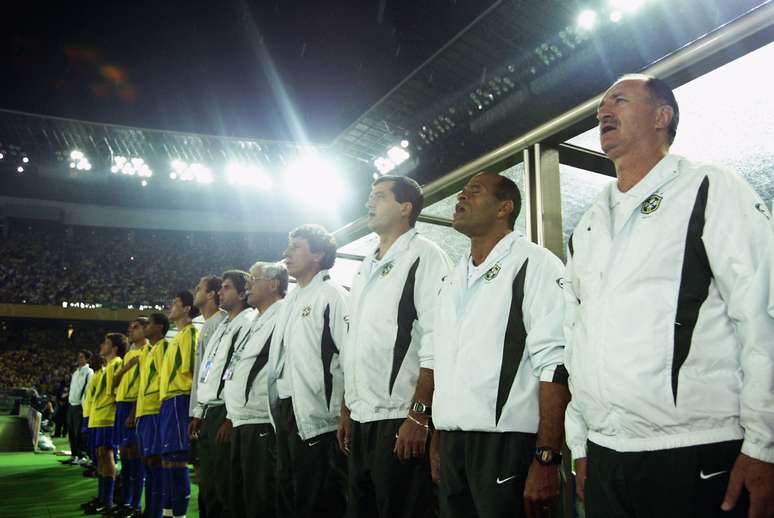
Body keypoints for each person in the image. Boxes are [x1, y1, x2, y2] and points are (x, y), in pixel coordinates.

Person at [564, 74, 774, 517]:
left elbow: (761, 316)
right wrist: (580, 443)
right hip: (606, 454)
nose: (603, 111)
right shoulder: (587, 225)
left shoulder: (708, 187)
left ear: (663, 116)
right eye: (601, 106)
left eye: (618, 100)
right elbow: (575, 337)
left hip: (696, 448)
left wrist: (764, 444)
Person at [430, 172, 569, 518]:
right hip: (452, 442)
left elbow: (556, 361)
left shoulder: (535, 263)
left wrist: (547, 455)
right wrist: (437, 434)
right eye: (461, 192)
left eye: (474, 191)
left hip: (507, 442)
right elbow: (442, 361)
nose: (461, 198)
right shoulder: (452, 278)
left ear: (504, 208)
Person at [339, 175, 451, 518]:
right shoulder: (365, 265)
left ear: (405, 208)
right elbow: (354, 342)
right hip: (361, 417)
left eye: (379, 196)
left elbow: (437, 338)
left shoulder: (426, 256)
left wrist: (419, 414)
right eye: (370, 196)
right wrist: (347, 407)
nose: (369, 203)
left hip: (398, 417)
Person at [267, 224, 350, 517]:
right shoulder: (291, 300)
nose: (285, 253)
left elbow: (349, 357)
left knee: (317, 501)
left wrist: (345, 411)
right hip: (288, 411)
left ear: (318, 254)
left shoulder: (333, 295)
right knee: (289, 495)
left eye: (295, 247)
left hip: (320, 419)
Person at [223, 261, 288, 517]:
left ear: (273, 284)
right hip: (241, 419)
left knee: (261, 499)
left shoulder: (284, 313)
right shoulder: (253, 319)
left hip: (262, 420)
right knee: (241, 498)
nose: (248, 284)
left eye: (254, 278)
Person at [190, 271, 256, 518]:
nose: (220, 292)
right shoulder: (223, 325)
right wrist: (199, 409)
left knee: (225, 485)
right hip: (209, 411)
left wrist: (229, 415)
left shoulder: (247, 322)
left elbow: (237, 370)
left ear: (241, 294)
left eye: (226, 288)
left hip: (224, 412)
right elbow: (209, 369)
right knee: (207, 484)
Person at [159, 291, 200, 518]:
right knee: (167, 462)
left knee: (177, 461)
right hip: (168, 402)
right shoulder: (177, 336)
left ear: (186, 308)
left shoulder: (190, 333)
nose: (171, 307)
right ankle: (167, 512)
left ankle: (180, 515)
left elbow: (193, 371)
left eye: (175, 303)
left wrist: (195, 408)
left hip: (179, 400)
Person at [84, 333, 128, 515]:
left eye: (106, 343)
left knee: (107, 455)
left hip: (107, 417)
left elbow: (116, 393)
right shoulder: (107, 367)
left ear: (115, 348)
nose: (102, 345)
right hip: (98, 417)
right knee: (101, 455)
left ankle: (108, 500)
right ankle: (102, 497)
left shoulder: (117, 363)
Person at [112, 317, 149, 517]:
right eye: (130, 326)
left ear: (146, 329)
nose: (130, 330)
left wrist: (135, 410)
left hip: (134, 406)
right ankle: (125, 502)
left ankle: (135, 505)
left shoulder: (147, 351)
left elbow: (143, 384)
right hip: (121, 405)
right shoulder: (129, 355)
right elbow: (115, 381)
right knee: (125, 457)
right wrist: (126, 367)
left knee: (135, 456)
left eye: (135, 327)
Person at [135, 313, 170, 518]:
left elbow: (163, 378)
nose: (145, 326)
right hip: (144, 410)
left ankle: (156, 511)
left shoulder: (164, 346)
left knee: (156, 460)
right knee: (148, 461)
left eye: (148, 323)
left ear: (159, 327)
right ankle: (150, 509)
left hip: (155, 410)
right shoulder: (150, 350)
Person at [65, 350, 93, 465]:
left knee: (79, 433)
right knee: (71, 432)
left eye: (82, 357)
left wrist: (83, 406)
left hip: (80, 407)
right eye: (78, 357)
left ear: (87, 359)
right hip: (71, 405)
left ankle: (82, 455)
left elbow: (87, 390)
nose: (79, 359)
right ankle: (74, 455)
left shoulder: (89, 372)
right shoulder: (76, 372)